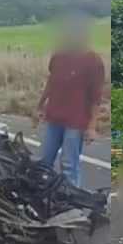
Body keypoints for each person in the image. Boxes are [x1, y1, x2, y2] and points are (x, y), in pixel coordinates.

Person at [34, 13, 106, 187]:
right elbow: (51, 82)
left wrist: (91, 127)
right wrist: (39, 106)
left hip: (76, 121)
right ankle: (42, 193)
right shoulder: (59, 56)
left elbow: (96, 97)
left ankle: (71, 201)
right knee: (45, 161)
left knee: (69, 165)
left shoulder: (93, 61)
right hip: (54, 117)